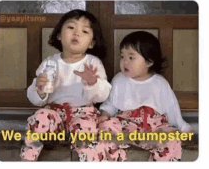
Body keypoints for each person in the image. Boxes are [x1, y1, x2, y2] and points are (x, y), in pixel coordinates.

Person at [20, 9, 112, 161]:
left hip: (83, 113)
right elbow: (35, 100)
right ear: (59, 35)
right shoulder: (50, 63)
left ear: (92, 43)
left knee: (86, 133)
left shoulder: (93, 63)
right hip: (55, 113)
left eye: (84, 31)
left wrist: (93, 83)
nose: (76, 33)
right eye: (71, 28)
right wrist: (39, 90)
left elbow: (103, 95)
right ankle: (27, 159)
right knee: (39, 117)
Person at [95, 31, 193, 161]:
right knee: (105, 128)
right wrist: (105, 114)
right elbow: (111, 104)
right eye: (122, 57)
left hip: (153, 129)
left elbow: (172, 108)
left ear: (149, 62)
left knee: (172, 139)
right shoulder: (119, 80)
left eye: (131, 57)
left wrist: (183, 127)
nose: (125, 62)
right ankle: (116, 159)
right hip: (126, 126)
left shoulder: (160, 83)